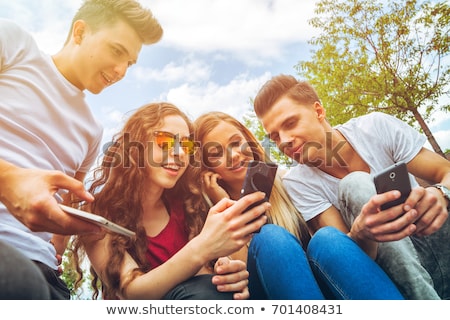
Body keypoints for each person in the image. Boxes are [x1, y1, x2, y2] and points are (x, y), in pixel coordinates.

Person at [0, 0, 163, 299]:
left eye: (130, 62)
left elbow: (68, 201)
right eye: (116, 51)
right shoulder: (15, 46)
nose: (121, 70)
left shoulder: (91, 129)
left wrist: (61, 243)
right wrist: (7, 179)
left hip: (44, 269)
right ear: (79, 32)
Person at [253, 74, 450, 300]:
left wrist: (440, 193)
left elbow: (445, 172)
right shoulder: (297, 183)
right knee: (355, 184)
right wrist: (361, 233)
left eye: (290, 123)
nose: (284, 141)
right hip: (392, 274)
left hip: (433, 234)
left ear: (318, 112)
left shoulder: (375, 127)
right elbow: (344, 256)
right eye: (275, 136)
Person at [193, 111, 404, 299]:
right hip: (265, 296)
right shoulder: (206, 216)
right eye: (216, 153)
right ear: (206, 166)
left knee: (327, 238)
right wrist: (226, 207)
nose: (234, 155)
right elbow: (243, 278)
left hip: (320, 287)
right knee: (270, 237)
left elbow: (338, 247)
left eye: (236, 142)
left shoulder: (289, 183)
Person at [70, 102, 266, 300]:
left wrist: (227, 273)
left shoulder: (190, 204)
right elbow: (132, 293)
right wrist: (203, 248)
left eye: (187, 145)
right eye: (165, 141)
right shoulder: (97, 213)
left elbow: (204, 281)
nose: (180, 152)